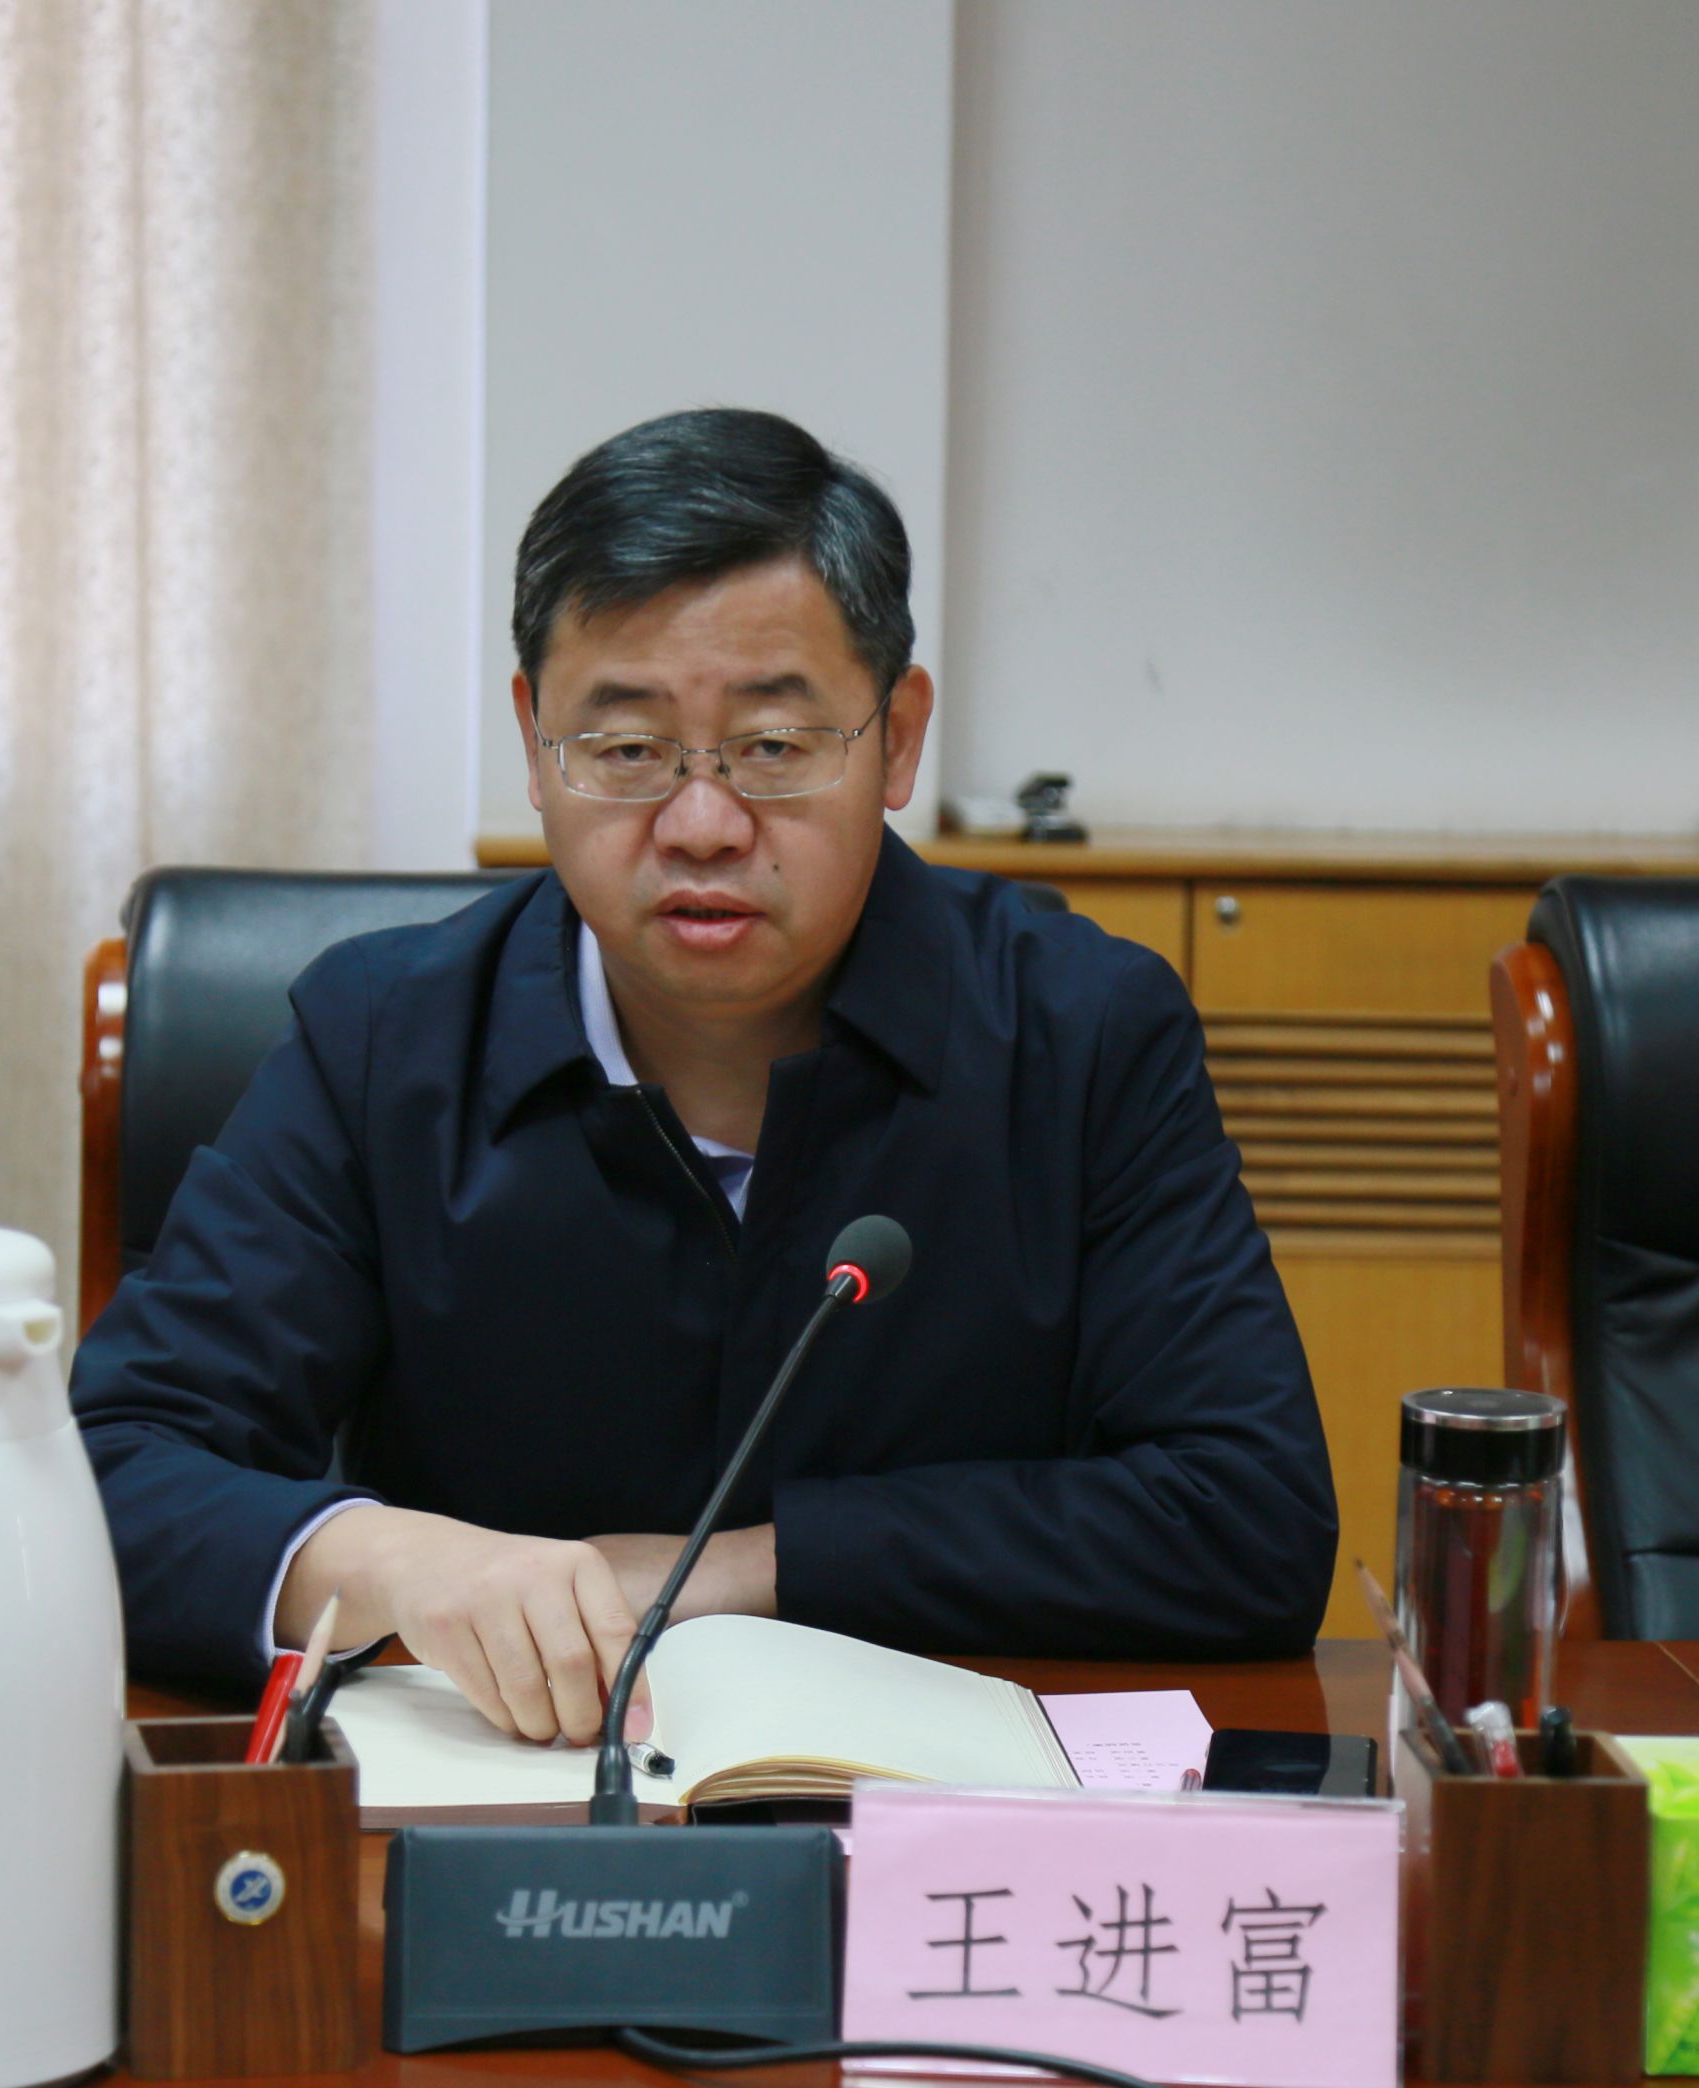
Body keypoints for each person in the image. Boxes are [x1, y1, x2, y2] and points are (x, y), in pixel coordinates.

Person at [71, 407, 1337, 1746]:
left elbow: (1245, 1516)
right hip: (500, 1791)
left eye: (774, 747)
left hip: (927, 1810)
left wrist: (740, 1570)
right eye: (627, 751)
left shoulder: (1080, 1034)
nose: (701, 824)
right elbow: (110, 1472)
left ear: (898, 738)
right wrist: (399, 1562)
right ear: (535, 739)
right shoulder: (384, 1039)